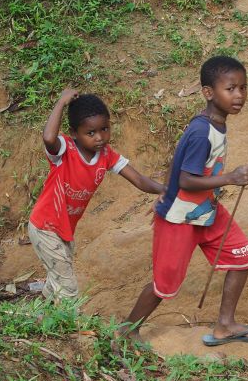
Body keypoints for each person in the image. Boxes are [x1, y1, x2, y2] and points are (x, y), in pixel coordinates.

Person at [121, 56, 248, 346]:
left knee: (242, 257)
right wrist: (231, 178)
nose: (239, 95)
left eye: (243, 88)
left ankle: (225, 325)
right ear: (208, 92)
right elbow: (187, 180)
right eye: (231, 88)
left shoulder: (215, 124)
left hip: (206, 211)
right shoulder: (202, 131)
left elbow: (177, 160)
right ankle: (127, 329)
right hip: (179, 218)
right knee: (164, 284)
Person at [28, 89, 163, 303]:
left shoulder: (107, 155)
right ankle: (70, 332)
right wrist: (61, 103)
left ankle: (42, 322)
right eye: (90, 133)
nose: (99, 137)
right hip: (45, 226)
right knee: (68, 288)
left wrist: (165, 190)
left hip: (64, 229)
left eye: (104, 129)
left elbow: (139, 180)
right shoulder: (65, 150)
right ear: (74, 133)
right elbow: (48, 137)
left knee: (57, 282)